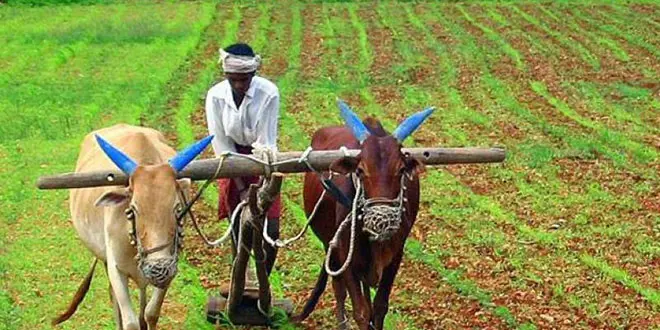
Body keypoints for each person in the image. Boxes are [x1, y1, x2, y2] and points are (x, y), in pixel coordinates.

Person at [205, 43, 281, 276]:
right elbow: (221, 145)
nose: (239, 85)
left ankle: (262, 280)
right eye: (234, 79)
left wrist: (261, 189)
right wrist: (240, 189)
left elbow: (266, 142)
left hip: (262, 159)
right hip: (231, 161)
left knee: (271, 228)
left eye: (245, 79)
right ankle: (239, 276)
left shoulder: (268, 92)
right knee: (239, 224)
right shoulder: (216, 96)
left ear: (253, 74)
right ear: (226, 75)